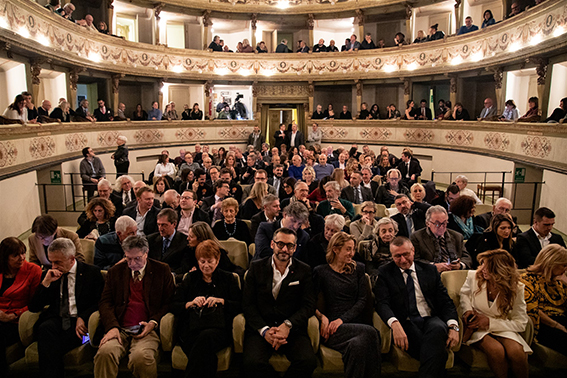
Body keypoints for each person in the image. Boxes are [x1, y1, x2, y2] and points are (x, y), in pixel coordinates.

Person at [374, 236, 460, 377]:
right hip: (405, 321)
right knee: (438, 351)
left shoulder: (429, 270)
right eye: (397, 256)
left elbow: (445, 301)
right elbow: (382, 303)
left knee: (438, 328)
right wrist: (394, 324)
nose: (402, 260)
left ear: (413, 251)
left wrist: (454, 326)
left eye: (406, 254)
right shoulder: (385, 272)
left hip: (430, 318)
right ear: (392, 256)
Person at [94, 235, 175, 378]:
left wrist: (153, 322)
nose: (132, 263)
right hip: (120, 327)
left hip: (146, 329)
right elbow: (105, 302)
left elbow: (169, 302)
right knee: (104, 353)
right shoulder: (115, 272)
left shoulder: (162, 270)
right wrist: (112, 327)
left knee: (141, 358)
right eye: (128, 258)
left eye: (137, 258)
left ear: (146, 253)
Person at [242, 227, 317, 378]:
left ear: (295, 248)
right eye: (280, 244)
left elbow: (308, 305)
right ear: (272, 244)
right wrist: (264, 331)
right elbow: (247, 304)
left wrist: (288, 325)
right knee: (252, 364)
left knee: (308, 361)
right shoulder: (256, 268)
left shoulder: (304, 270)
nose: (284, 249)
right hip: (262, 327)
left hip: (292, 329)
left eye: (289, 246)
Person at [29, 238, 104, 378]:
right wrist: (45, 283)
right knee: (45, 329)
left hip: (80, 323)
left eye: (58, 262)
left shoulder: (91, 273)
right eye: (51, 261)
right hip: (58, 319)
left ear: (71, 259)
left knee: (51, 346)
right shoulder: (48, 275)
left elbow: (100, 302)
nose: (54, 266)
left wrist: (83, 317)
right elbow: (34, 307)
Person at [313, 232, 381, 378]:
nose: (352, 253)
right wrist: (322, 318)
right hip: (332, 328)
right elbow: (309, 301)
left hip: (354, 323)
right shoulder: (321, 272)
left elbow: (362, 300)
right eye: (348, 249)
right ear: (336, 249)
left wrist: (342, 320)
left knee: (357, 345)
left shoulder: (359, 269)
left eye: (353, 249)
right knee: (371, 333)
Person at [171, 240, 242, 378]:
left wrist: (221, 301)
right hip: (191, 328)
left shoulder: (228, 278)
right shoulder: (190, 278)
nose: (206, 266)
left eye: (210, 261)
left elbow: (240, 305)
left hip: (218, 329)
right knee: (206, 353)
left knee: (205, 339)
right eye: (202, 262)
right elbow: (174, 305)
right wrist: (190, 303)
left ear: (217, 260)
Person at [460, 249, 531, 378]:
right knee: (496, 350)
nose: (483, 270)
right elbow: (464, 295)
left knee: (516, 352)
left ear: (501, 271)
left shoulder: (517, 288)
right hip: (476, 326)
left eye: (488, 268)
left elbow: (520, 323)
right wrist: (467, 311)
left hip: (501, 324)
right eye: (482, 265)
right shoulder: (473, 276)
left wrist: (490, 322)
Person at [0, 237, 42, 376]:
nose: (22, 257)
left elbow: (35, 302)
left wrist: (15, 314)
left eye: (23, 253)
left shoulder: (33, 270)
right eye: (16, 255)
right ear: (5, 257)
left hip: (18, 319)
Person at [521, 244, 567, 356]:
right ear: (551, 264)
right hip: (542, 323)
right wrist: (557, 325)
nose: (565, 269)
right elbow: (533, 310)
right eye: (563, 265)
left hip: (562, 317)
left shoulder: (559, 281)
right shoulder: (526, 280)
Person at [410, 205, 472, 271]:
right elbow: (415, 260)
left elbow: (467, 258)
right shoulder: (417, 237)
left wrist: (460, 265)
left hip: (454, 273)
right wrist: (433, 266)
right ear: (427, 223)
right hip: (431, 275)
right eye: (437, 224)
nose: (441, 227)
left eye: (444, 223)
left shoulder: (457, 236)